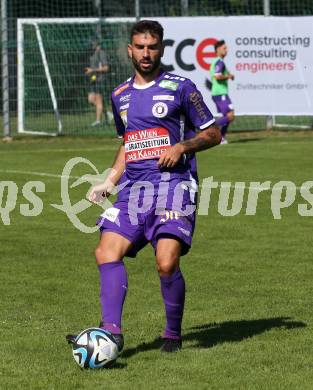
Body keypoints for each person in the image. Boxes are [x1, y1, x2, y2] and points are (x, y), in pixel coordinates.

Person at [67, 20, 221, 353]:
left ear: (161, 48)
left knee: (166, 263)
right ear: (130, 50)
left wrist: (181, 147)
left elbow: (213, 133)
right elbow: (128, 143)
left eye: (152, 47)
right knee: (105, 251)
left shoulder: (182, 87)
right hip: (134, 191)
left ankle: (172, 333)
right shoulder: (119, 94)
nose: (146, 53)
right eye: (140, 47)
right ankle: (111, 332)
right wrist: (109, 180)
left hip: (174, 187)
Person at [210, 40, 235, 144]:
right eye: (224, 48)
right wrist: (228, 76)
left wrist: (229, 75)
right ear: (218, 49)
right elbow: (217, 76)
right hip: (220, 93)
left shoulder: (218, 61)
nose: (226, 50)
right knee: (230, 115)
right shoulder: (219, 61)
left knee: (228, 116)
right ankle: (209, 128)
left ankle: (221, 138)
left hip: (219, 93)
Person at [85, 40, 109, 126]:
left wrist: (93, 70)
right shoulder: (92, 54)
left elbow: (106, 68)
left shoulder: (101, 54)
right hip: (93, 80)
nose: (91, 45)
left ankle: (98, 121)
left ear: (97, 44)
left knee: (99, 100)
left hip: (100, 80)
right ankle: (108, 114)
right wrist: (89, 71)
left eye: (93, 44)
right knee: (91, 99)